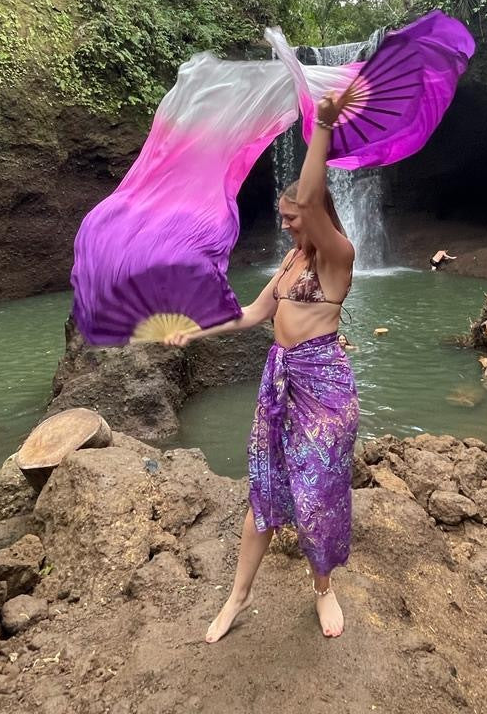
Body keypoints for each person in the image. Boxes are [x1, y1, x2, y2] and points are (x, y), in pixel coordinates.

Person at [164, 91, 357, 643]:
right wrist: (193, 331)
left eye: (294, 220)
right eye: (285, 220)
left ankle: (323, 590)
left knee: (318, 492)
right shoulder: (291, 262)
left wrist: (322, 125)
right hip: (280, 384)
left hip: (324, 388)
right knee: (265, 492)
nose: (289, 228)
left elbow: (315, 199)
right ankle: (237, 597)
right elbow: (251, 314)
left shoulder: (336, 256)